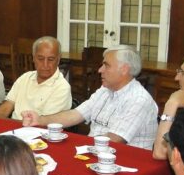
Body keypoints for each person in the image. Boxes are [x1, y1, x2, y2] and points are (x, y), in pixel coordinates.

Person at [22, 44, 157, 148]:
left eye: (106, 66)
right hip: (97, 153)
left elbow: (115, 140)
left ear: (124, 69)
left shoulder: (139, 99)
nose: (100, 70)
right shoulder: (105, 90)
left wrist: (77, 146)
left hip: (126, 163)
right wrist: (40, 120)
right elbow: (75, 115)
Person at [0, 36, 71, 120]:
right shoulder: (25, 78)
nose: (45, 64)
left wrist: (8, 122)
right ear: (33, 58)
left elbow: (44, 124)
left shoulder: (62, 87)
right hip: (12, 128)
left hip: (39, 131)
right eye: (40, 59)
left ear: (58, 60)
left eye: (51, 59)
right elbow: (7, 107)